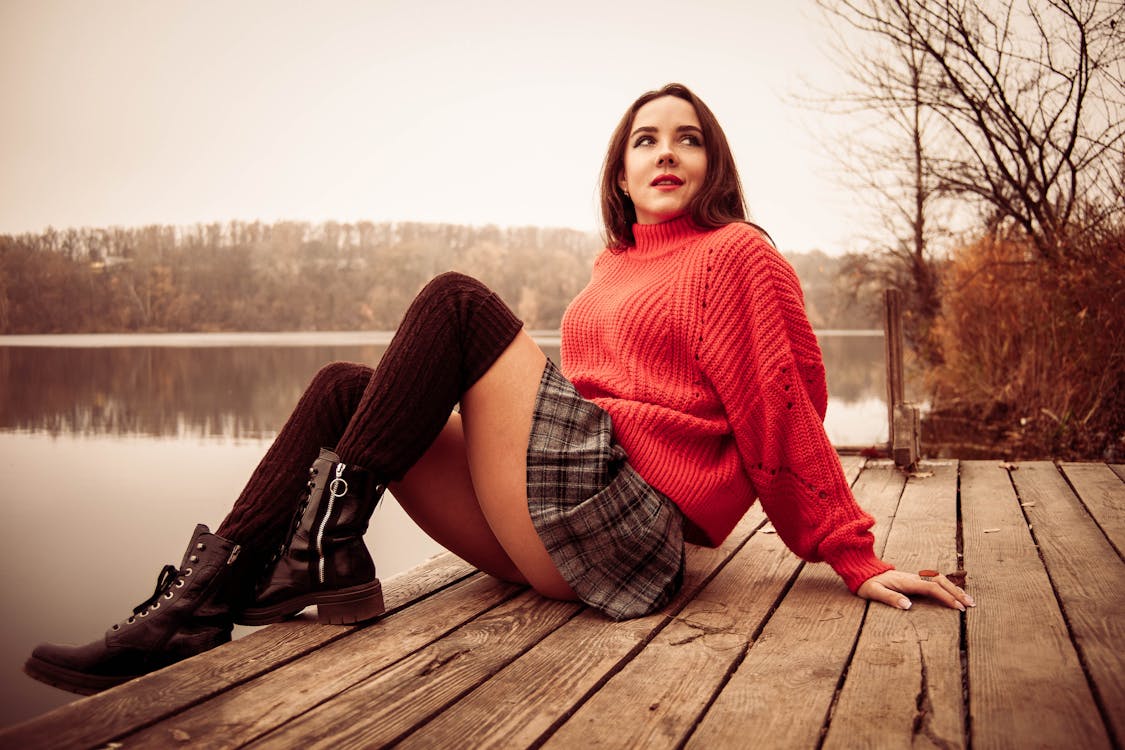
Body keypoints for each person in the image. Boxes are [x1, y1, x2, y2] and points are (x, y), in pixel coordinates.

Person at [24, 83, 974, 695]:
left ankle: (321, 550)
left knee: (455, 303)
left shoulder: (738, 257)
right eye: (645, 139)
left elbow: (781, 406)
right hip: (556, 527)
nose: (666, 152)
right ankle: (193, 612)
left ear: (714, 165)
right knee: (338, 389)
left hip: (627, 529)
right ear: (620, 167)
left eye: (689, 139)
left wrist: (851, 553)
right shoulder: (609, 271)